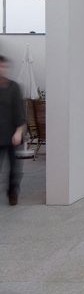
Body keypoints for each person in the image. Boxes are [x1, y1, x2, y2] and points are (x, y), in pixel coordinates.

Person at [0, 55, 25, 205]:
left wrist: (19, 131)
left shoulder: (14, 87)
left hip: (12, 135)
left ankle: (12, 193)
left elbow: (20, 112)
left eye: (2, 66)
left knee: (14, 169)